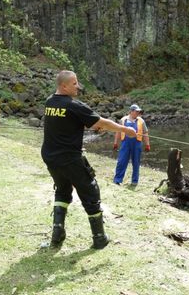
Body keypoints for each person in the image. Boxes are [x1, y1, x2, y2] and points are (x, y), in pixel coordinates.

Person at [41, 70, 137, 249]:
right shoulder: (74, 106)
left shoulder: (49, 102)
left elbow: (67, 124)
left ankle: (57, 233)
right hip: (69, 158)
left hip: (50, 157)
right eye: (74, 83)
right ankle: (99, 238)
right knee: (91, 192)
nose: (78, 86)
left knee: (62, 190)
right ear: (63, 86)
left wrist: (91, 126)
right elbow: (102, 122)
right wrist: (126, 130)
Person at [113, 104, 151, 186]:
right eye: (136, 111)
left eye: (139, 111)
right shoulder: (123, 120)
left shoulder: (141, 121)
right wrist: (115, 142)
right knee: (121, 161)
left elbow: (145, 133)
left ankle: (134, 181)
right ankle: (117, 180)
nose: (138, 113)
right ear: (131, 111)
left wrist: (147, 144)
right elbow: (118, 132)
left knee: (136, 162)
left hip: (137, 144)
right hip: (125, 144)